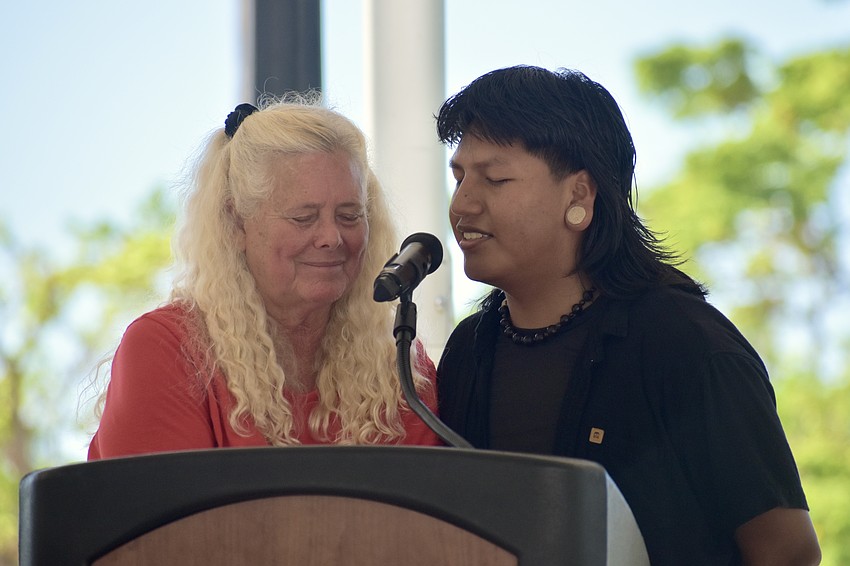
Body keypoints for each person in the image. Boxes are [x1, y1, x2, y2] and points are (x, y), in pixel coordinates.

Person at [435, 66, 820, 565]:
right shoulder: (470, 347)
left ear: (578, 196)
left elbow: (788, 552)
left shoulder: (683, 342)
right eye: (459, 176)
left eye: (495, 179)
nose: (462, 204)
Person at [88, 96, 440, 459]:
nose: (331, 237)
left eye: (350, 215)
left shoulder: (399, 365)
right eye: (303, 218)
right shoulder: (166, 350)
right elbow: (170, 514)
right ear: (236, 223)